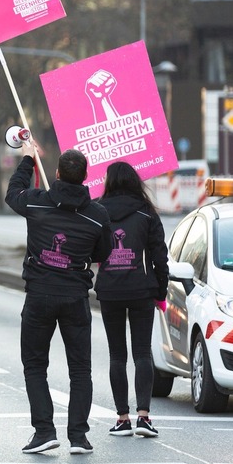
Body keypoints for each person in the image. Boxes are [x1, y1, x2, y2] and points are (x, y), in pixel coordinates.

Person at [4, 139, 112, 455]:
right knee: (80, 369)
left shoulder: (37, 204)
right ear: (85, 177)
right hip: (76, 297)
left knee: (35, 365)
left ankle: (44, 432)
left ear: (57, 174)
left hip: (38, 294)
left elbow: (13, 193)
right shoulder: (97, 215)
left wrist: (27, 159)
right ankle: (78, 436)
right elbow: (103, 253)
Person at [94, 161, 169, 439]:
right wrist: (160, 291)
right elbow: (159, 256)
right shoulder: (147, 212)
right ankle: (144, 418)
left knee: (117, 355)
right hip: (141, 290)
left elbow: (91, 251)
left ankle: (122, 418)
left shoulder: (98, 211)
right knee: (142, 353)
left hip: (110, 290)